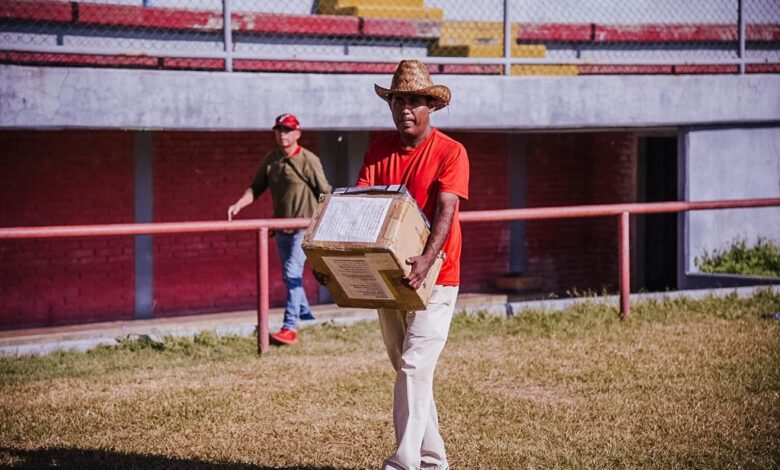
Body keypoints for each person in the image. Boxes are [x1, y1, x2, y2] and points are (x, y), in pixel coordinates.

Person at [358, 60, 469, 470]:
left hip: (437, 277)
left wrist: (428, 258)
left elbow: (446, 210)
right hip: (388, 277)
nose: (405, 108)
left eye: (415, 101)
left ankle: (403, 465)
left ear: (431, 107)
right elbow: (363, 208)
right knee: (408, 370)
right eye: (398, 99)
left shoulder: (451, 152)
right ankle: (434, 461)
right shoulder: (377, 149)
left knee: (413, 365)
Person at [227, 113, 331, 346]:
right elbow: (256, 188)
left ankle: (289, 328)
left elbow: (325, 191)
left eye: (287, 130)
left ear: (297, 133)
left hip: (303, 228)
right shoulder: (272, 159)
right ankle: (305, 314)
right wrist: (238, 205)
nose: (282, 134)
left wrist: (327, 223)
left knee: (293, 273)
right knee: (289, 276)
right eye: (279, 130)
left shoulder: (308, 160)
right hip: (281, 229)